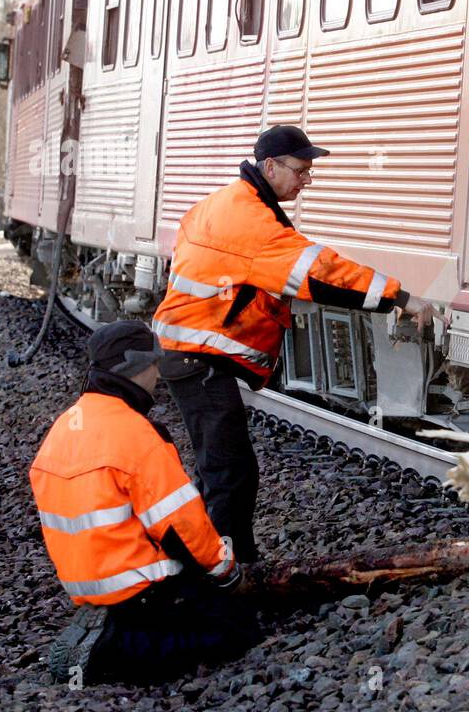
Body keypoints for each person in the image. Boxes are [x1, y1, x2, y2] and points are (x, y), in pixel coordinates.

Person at [152, 125, 439, 563]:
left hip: (188, 354)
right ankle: (224, 575)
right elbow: (320, 273)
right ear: (270, 167)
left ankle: (216, 561)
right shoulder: (251, 220)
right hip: (198, 360)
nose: (307, 180)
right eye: (302, 170)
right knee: (229, 472)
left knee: (223, 469)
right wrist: (398, 297)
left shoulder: (226, 202)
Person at [30, 321, 257, 684]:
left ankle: (106, 621)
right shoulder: (136, 435)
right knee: (236, 629)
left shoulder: (62, 429)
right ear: (137, 368)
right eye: (156, 365)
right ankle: (112, 647)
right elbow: (180, 527)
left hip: (85, 586)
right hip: (141, 587)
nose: (159, 375)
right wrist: (225, 573)